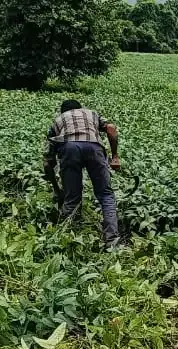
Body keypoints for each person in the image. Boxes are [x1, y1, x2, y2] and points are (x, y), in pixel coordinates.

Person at [43, 99, 122, 248]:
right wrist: (115, 157)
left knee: (72, 197)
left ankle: (66, 239)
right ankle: (111, 240)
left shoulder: (57, 121)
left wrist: (57, 189)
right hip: (94, 147)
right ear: (80, 108)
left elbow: (48, 162)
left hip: (69, 148)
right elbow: (111, 128)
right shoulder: (92, 114)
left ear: (62, 112)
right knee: (106, 195)